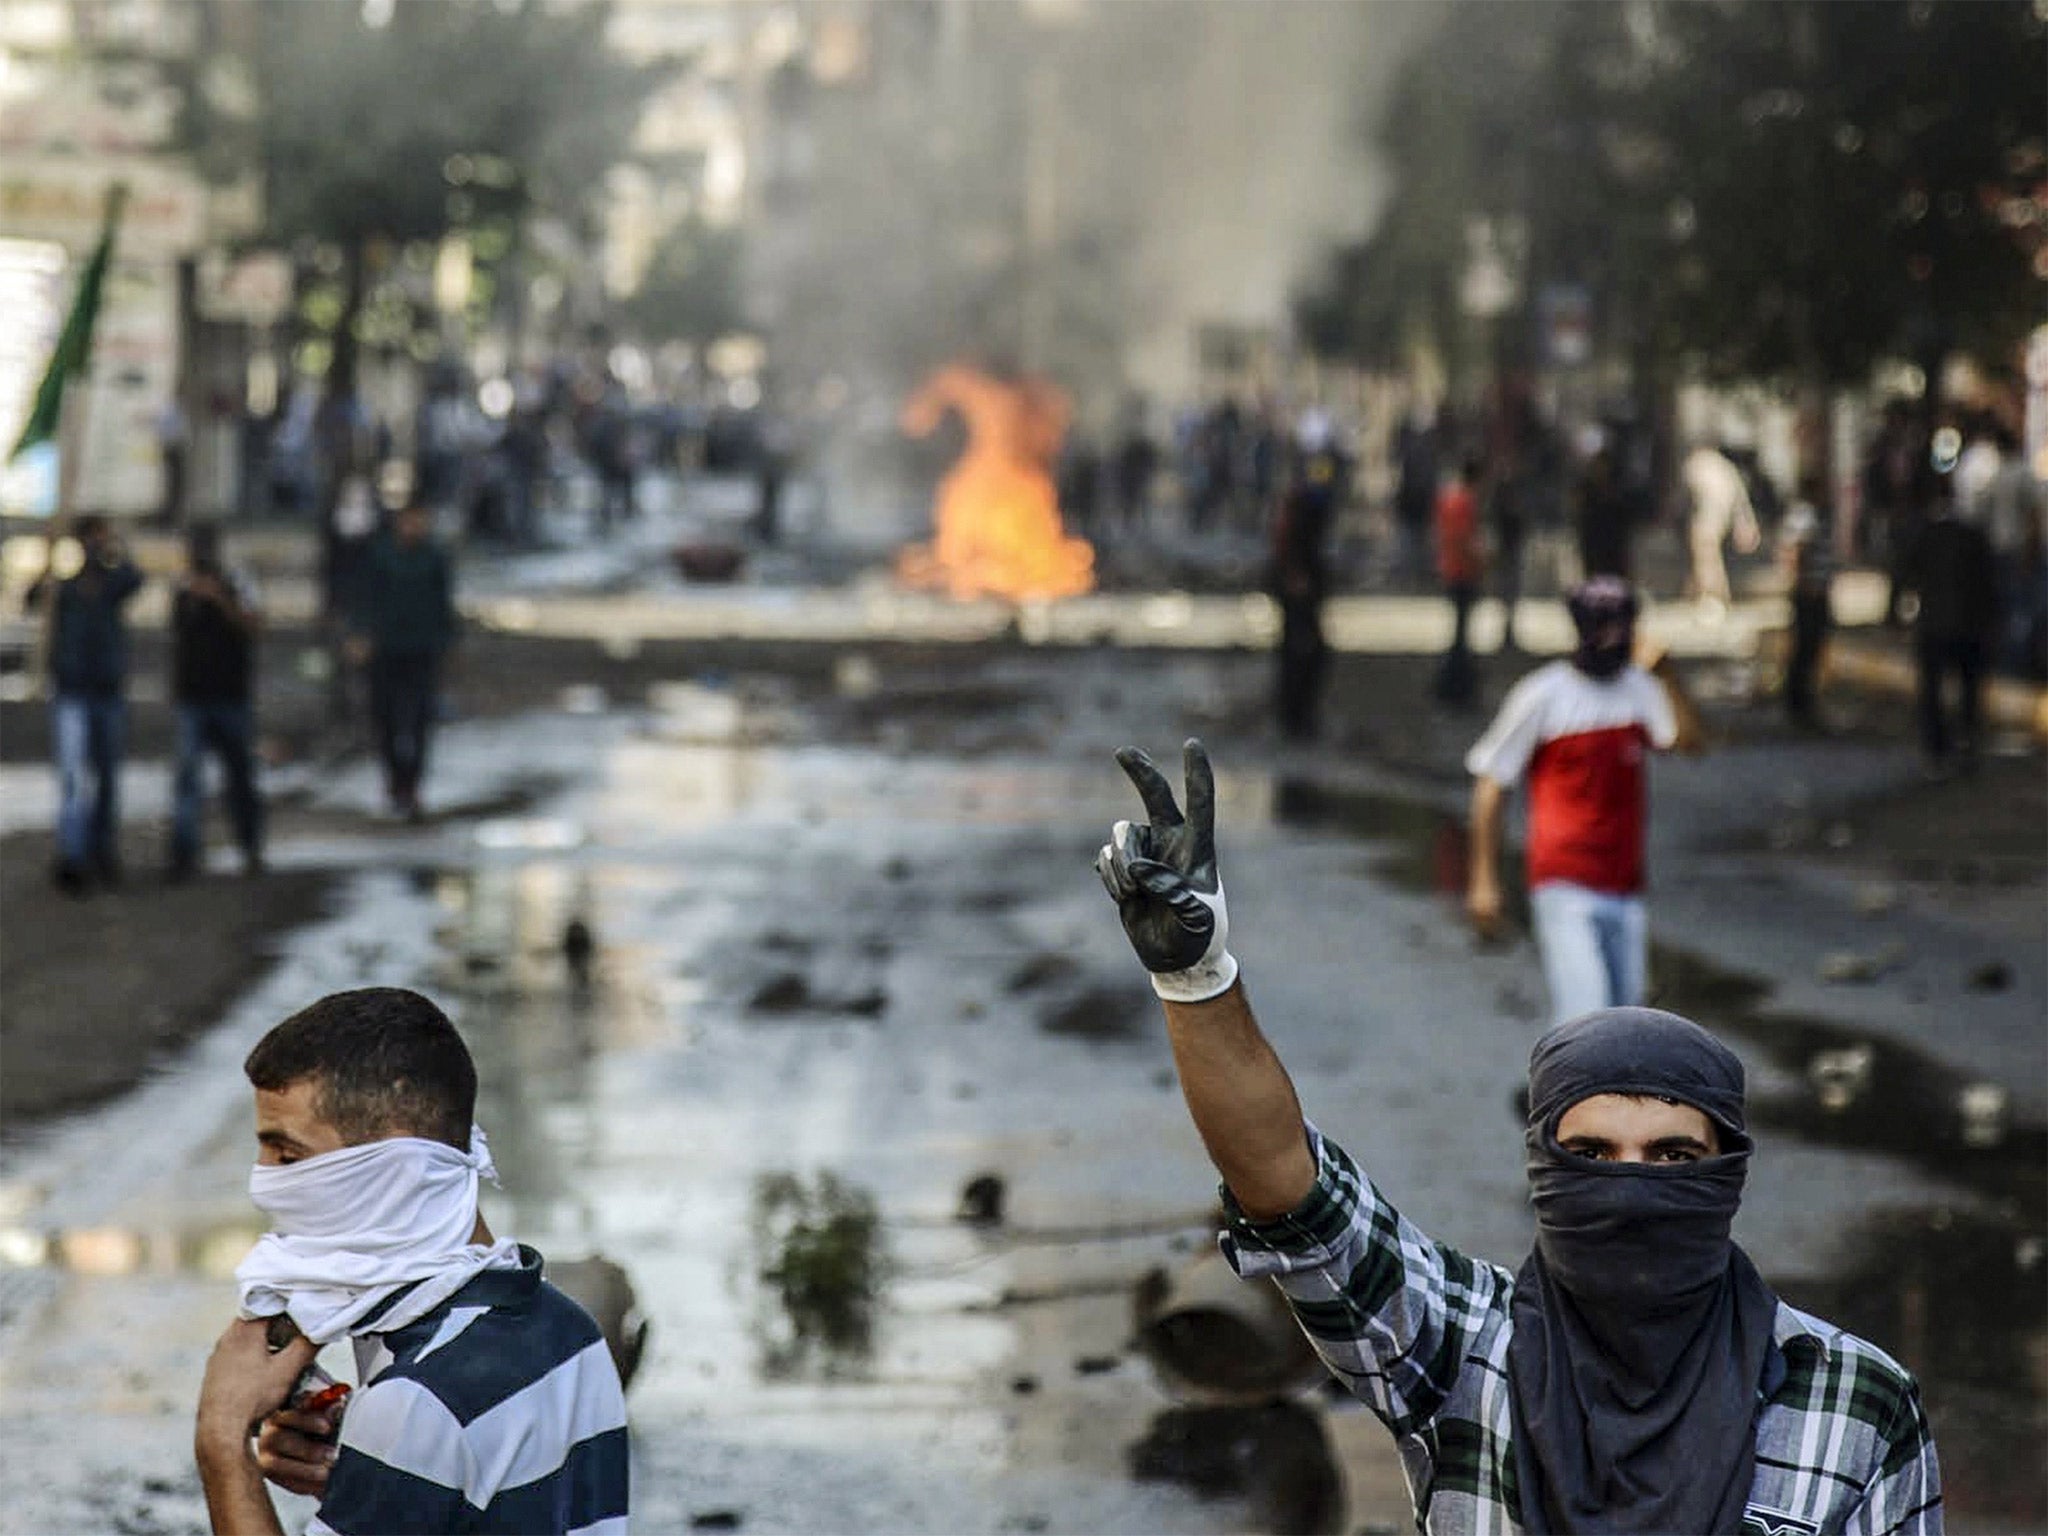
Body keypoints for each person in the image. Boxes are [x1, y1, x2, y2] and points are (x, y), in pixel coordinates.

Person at [1092, 740, 1941, 1536]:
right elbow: (1286, 1183)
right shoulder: (1460, 1349)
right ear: (1544, 1171)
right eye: (1593, 1156)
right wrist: (1196, 981)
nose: (1631, 1189)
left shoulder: (1855, 1403)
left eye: (1673, 1158)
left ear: (1729, 1175)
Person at [193, 987, 629, 1535]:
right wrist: (365, 1470)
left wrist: (220, 1440)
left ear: (395, 1162)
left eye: (288, 1155)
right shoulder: (568, 1331)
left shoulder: (418, 1404)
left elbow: (437, 1423)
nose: (264, 1183)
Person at [1464, 579, 1705, 1022]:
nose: (1612, 638)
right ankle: (1564, 1091)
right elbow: (1490, 782)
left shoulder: (1642, 690)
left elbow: (1689, 741)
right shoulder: (1543, 695)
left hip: (1625, 883)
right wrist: (1484, 879)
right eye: (1602, 626)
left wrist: (1668, 674)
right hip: (1564, 881)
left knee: (1628, 1021)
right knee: (1587, 1018)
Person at [41, 516, 144, 894]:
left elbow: (137, 578)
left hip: (106, 692)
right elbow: (37, 597)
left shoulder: (113, 585)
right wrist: (46, 554)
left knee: (105, 778)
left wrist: (117, 547)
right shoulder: (65, 589)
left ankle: (102, 852)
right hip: (71, 691)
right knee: (72, 779)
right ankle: (74, 855)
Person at [169, 524, 266, 880]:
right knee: (188, 779)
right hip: (193, 696)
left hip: (230, 696)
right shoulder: (182, 586)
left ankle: (250, 845)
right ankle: (184, 853)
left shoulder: (239, 583)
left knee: (239, 775)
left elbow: (254, 627)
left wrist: (221, 599)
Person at [350, 502, 457, 820]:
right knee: (384, 717)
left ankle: (412, 785)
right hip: (384, 649)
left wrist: (446, 642)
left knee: (419, 718)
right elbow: (364, 597)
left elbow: (442, 602)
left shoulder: (434, 557)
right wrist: (360, 634)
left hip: (421, 649)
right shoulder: (380, 555)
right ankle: (394, 782)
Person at [1902, 471, 1998, 777]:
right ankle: (1966, 744)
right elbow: (1989, 582)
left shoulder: (1924, 534)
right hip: (1968, 626)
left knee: (1932, 691)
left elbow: (1905, 574)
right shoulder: (1973, 535)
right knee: (1968, 690)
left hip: (1933, 625)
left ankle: (1937, 750)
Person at [1269, 447, 1341, 741]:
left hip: (1305, 587)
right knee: (1299, 653)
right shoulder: (1299, 502)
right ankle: (1293, 718)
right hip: (1296, 589)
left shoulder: (1311, 500)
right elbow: (1286, 542)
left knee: (1307, 653)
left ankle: (1299, 716)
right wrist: (1294, 576)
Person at [1778, 478, 1835, 732]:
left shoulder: (1812, 516)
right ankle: (1798, 705)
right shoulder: (1805, 516)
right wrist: (1803, 583)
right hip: (1809, 593)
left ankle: (1803, 703)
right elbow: (1795, 551)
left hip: (1816, 590)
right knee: (1804, 648)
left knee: (1811, 648)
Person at [1681, 443, 1762, 616]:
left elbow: (1685, 498)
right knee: (1706, 558)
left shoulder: (1698, 465)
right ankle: (1699, 595)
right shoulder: (1726, 468)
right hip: (1719, 518)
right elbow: (1741, 498)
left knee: (1707, 559)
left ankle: (1713, 599)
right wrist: (1746, 522)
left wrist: (1745, 523)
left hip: (1708, 518)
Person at [1432, 453, 1485, 709]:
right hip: (1462, 572)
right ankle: (1452, 688)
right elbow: (1463, 538)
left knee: (1459, 633)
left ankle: (1453, 686)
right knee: (1460, 636)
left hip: (1451, 569)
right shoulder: (1464, 501)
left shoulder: (1449, 497)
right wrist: (1482, 556)